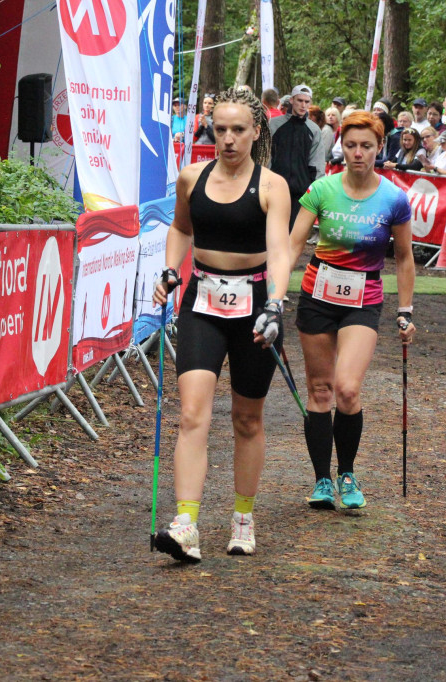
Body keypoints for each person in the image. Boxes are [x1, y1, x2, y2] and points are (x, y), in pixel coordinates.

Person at [152, 88, 292, 563]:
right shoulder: (192, 176)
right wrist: (172, 270)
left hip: (255, 303)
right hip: (202, 301)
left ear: (256, 132)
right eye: (220, 130)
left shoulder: (273, 186)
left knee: (246, 419)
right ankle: (185, 523)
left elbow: (279, 250)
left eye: (238, 130)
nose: (228, 139)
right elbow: (181, 229)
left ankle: (242, 518)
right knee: (192, 414)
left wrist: (275, 303)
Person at [287, 110, 417, 510]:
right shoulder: (323, 189)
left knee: (347, 388)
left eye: (366, 146)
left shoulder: (394, 198)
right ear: (340, 146)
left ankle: (347, 473)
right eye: (351, 145)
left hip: (364, 300)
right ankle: (322, 480)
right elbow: (294, 244)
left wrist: (406, 310)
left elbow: (404, 257)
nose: (357, 153)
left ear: (380, 148)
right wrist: (275, 291)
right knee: (320, 390)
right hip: (317, 296)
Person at [270, 84, 325, 229]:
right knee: (271, 232)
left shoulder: (314, 130)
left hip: (300, 192)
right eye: (300, 100)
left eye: (307, 102)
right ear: (292, 100)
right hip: (274, 189)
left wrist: (315, 193)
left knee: (292, 235)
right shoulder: (274, 125)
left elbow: (317, 164)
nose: (303, 105)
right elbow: (265, 157)